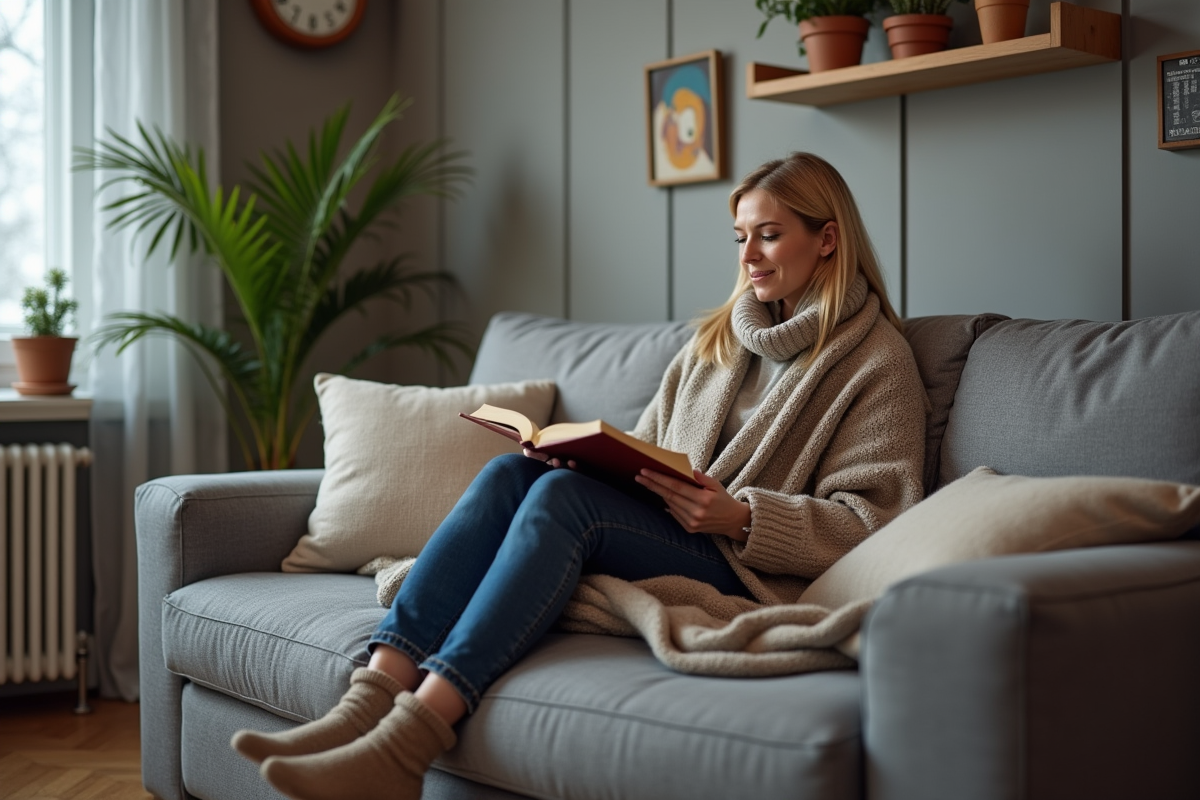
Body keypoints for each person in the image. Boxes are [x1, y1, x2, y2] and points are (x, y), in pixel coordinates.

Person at [231, 152, 928, 800]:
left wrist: (743, 517)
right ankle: (365, 704)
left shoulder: (876, 361)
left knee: (565, 501)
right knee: (513, 473)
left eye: (769, 236)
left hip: (742, 561)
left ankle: (407, 746)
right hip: (669, 524)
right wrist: (591, 459)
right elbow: (648, 449)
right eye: (741, 237)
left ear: (827, 239)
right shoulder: (716, 341)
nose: (748, 256)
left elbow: (878, 522)